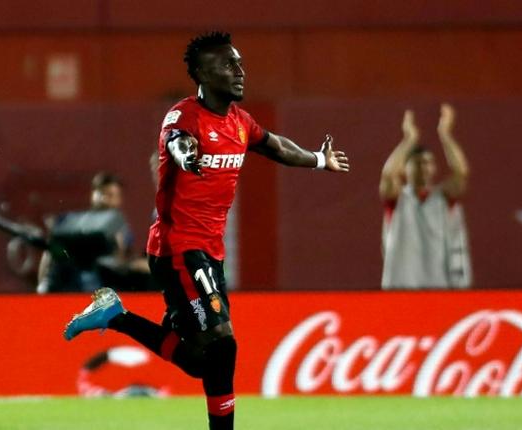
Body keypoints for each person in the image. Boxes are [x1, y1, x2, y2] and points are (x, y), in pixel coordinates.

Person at [62, 31, 349, 430]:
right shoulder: (183, 117)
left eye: (240, 63)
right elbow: (178, 142)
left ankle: (116, 315)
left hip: (209, 253)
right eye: (228, 65)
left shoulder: (240, 122)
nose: (239, 71)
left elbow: (277, 146)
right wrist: (186, 155)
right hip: (178, 248)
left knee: (203, 360)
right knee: (224, 343)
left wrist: (318, 159)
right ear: (201, 73)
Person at [379, 104, 472, 289]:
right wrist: (409, 140)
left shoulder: (442, 198)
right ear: (405, 169)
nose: (424, 167)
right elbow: (388, 176)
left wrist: (445, 135)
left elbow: (461, 173)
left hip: (439, 288)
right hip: (400, 288)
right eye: (418, 163)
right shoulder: (398, 199)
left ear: (435, 168)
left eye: (429, 163)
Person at [37, 172, 142, 293]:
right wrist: (42, 282)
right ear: (93, 194)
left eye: (112, 195)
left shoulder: (120, 227)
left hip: (101, 284)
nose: (105, 199)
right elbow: (50, 252)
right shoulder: (70, 220)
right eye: (102, 193)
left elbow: (122, 259)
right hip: (68, 279)